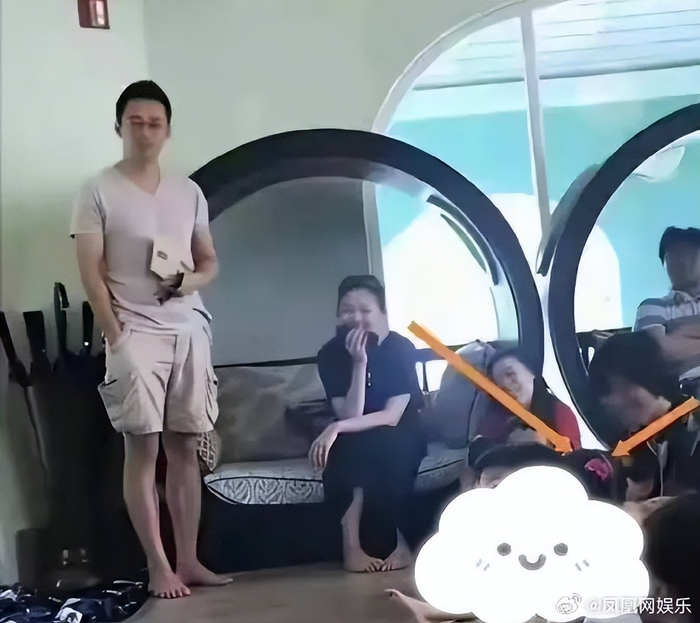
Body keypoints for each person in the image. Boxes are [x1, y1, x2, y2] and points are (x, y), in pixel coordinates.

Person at [71, 81, 230, 598]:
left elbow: (209, 261)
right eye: (135, 122)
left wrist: (189, 282)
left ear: (167, 131)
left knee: (185, 445)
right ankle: (158, 566)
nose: (144, 131)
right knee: (141, 446)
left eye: (154, 123)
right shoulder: (96, 190)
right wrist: (114, 335)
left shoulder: (188, 192)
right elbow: (91, 273)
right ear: (119, 126)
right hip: (133, 332)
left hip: (188, 327)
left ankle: (189, 560)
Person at [312, 275, 427, 573]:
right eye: (347, 310)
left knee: (387, 447)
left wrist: (335, 428)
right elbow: (351, 414)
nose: (356, 317)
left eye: (365, 310)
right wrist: (359, 362)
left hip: (400, 428)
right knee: (344, 451)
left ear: (382, 312)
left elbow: (392, 415)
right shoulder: (329, 354)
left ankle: (400, 544)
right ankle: (352, 547)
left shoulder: (400, 347)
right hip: (356, 429)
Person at [588, 331, 700, 501]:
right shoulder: (637, 450)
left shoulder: (693, 432)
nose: (606, 402)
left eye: (607, 389)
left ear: (631, 387)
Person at [635, 227, 700, 398]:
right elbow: (654, 358)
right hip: (687, 394)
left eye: (689, 254)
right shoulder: (652, 306)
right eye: (673, 255)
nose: (681, 261)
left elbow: (670, 348)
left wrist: (678, 337)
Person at [477, 349, 582, 450]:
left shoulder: (559, 411)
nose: (505, 384)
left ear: (531, 371)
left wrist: (545, 446)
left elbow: (573, 457)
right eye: (498, 382)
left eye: (510, 374)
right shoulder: (495, 418)